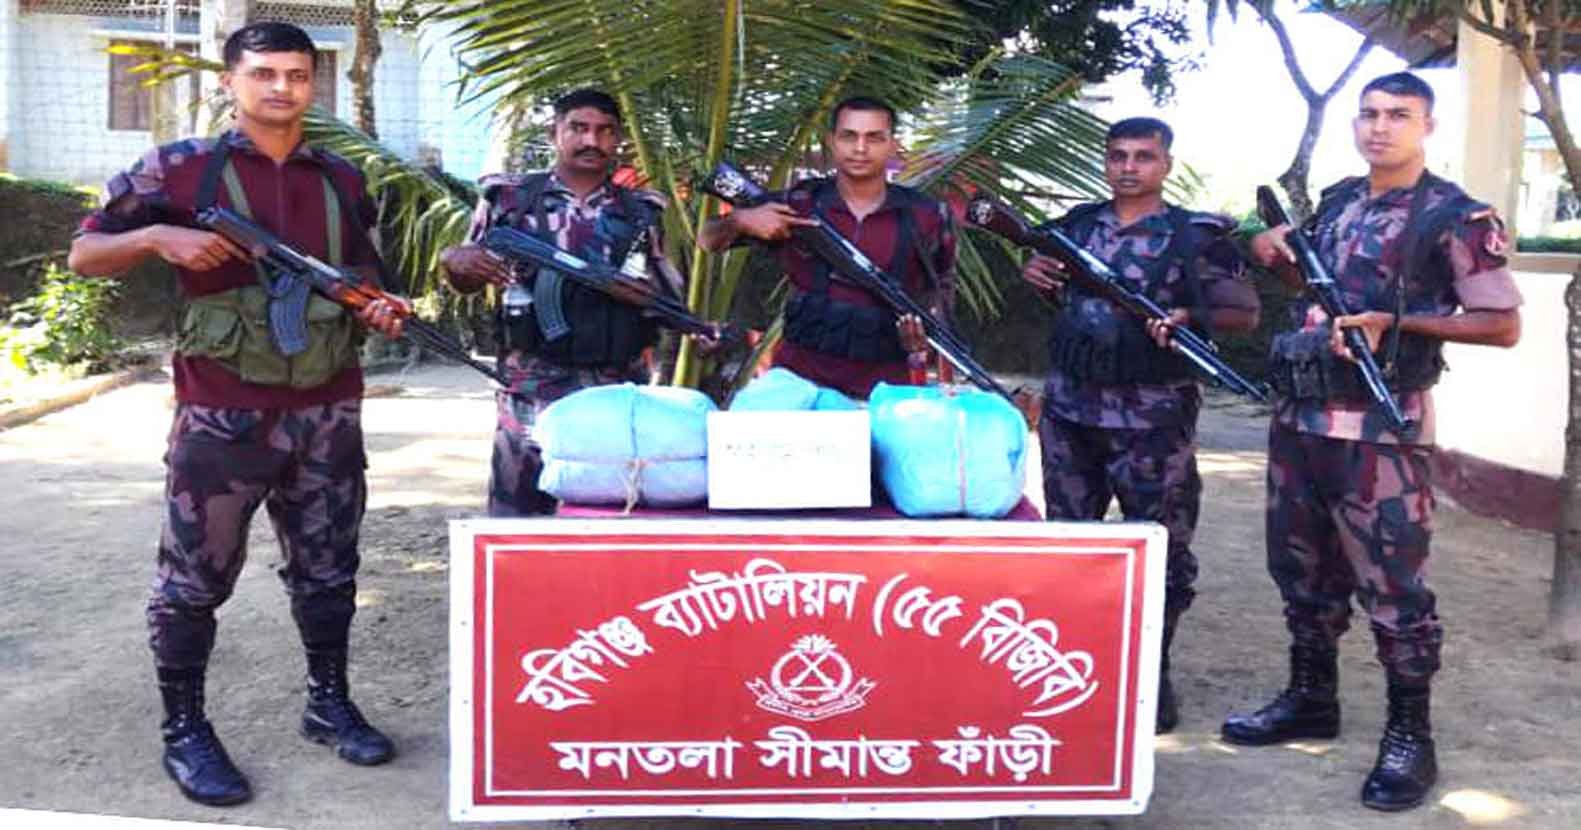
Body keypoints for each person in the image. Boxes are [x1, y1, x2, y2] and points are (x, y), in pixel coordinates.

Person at [67, 21, 406, 806]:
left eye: (297, 74)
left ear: (313, 83)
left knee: (330, 571)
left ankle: (328, 703)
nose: (282, 87)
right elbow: (84, 254)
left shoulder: (343, 178)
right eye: (264, 73)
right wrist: (158, 237)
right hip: (222, 416)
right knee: (194, 582)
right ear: (231, 82)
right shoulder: (178, 169)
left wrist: (382, 307)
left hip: (327, 408)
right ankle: (184, 731)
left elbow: (364, 277)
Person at [1222, 72, 1522, 811]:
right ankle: (1309, 698)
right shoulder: (1337, 201)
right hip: (1300, 421)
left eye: (1398, 114)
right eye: (1369, 114)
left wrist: (1398, 324)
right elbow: (1312, 288)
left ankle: (1409, 735)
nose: (1379, 127)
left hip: (1380, 433)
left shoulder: (1454, 215)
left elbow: (1501, 324)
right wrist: (1272, 250)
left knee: (1394, 587)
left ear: (1427, 126)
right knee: (1300, 571)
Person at [1019, 116, 1260, 735]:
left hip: (1154, 419)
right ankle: (1076, 669)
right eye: (1118, 155)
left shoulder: (1195, 236)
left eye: (1144, 156)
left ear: (1166, 165)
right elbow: (1050, 284)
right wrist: (1034, 272)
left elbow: (1245, 313)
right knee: (1070, 545)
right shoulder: (1076, 226)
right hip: (1071, 414)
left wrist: (1189, 315)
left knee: (1161, 548)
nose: (1129, 167)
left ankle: (1151, 671)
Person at [440, 89, 697, 517]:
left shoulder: (640, 212)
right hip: (530, 387)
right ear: (554, 133)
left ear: (618, 139)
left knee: (606, 512)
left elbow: (664, 295)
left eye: (604, 131)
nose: (591, 140)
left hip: (614, 388)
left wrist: (687, 323)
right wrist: (454, 260)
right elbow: (466, 276)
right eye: (578, 128)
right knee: (517, 517)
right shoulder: (509, 199)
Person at [697, 96, 956, 400]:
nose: (860, 148)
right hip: (798, 385)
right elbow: (707, 239)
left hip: (888, 391)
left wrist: (926, 350)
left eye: (874, 138)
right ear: (832, 142)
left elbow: (943, 290)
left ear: (893, 145)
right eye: (849, 136)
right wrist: (741, 220)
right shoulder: (799, 203)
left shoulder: (926, 215)